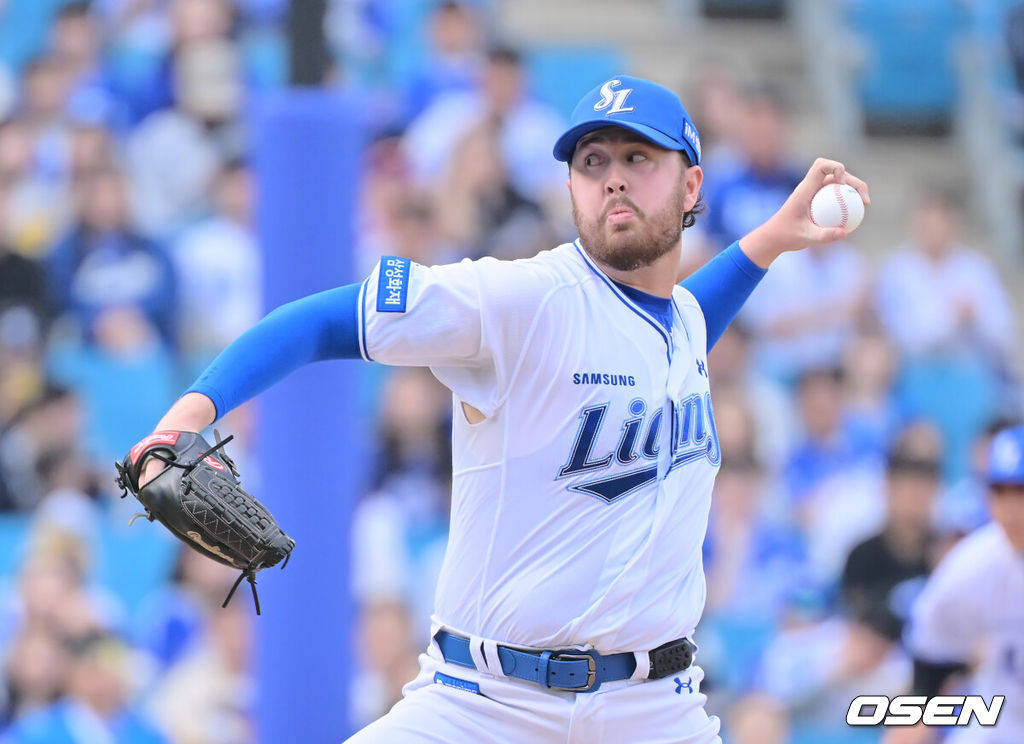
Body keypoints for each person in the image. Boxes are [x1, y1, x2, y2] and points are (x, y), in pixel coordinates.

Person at [129, 75, 869, 743]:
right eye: (592, 163)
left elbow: (687, 317)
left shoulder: (676, 323)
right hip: (484, 708)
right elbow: (320, 321)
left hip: (657, 711)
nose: (612, 179)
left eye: (638, 159)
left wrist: (769, 241)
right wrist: (186, 416)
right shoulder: (520, 300)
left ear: (690, 184)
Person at [885, 424, 1024, 744]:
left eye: (1021, 492)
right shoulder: (973, 565)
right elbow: (928, 669)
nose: (1012, 509)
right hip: (1005, 724)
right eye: (1001, 492)